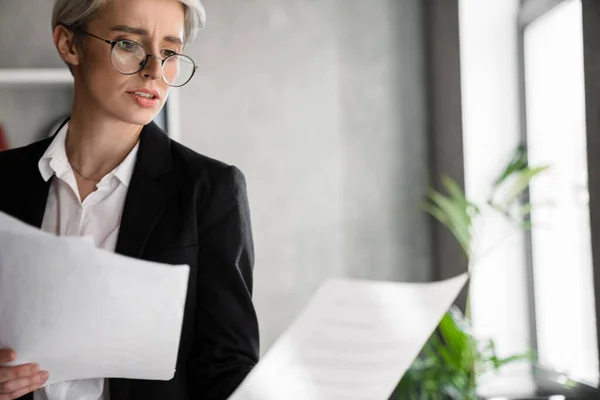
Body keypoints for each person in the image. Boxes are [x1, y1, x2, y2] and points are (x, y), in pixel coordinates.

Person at [0, 0, 260, 399]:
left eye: (170, 52)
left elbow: (226, 366)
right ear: (69, 44)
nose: (155, 71)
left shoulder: (210, 188)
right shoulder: (4, 180)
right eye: (128, 44)